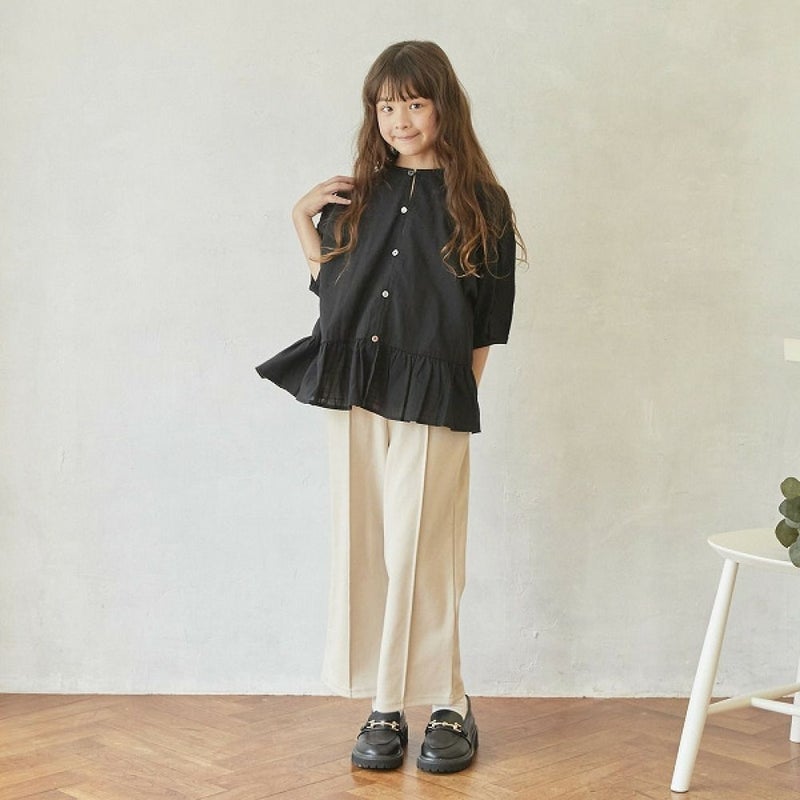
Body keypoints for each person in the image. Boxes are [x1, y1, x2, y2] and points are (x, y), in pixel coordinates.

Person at [256, 40, 523, 774]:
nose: (399, 119)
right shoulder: (361, 195)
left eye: (413, 102)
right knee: (366, 544)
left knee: (423, 550)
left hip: (433, 393)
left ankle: (448, 702)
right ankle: (384, 703)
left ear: (443, 106)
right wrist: (300, 220)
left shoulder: (483, 204)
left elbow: (487, 323)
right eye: (385, 106)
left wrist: (456, 393)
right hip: (354, 388)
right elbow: (336, 293)